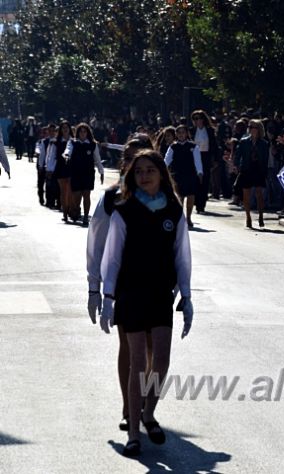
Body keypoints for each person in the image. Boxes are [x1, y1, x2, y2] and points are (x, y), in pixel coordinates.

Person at [99, 149, 194, 457]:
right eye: (138, 171)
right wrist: (107, 296)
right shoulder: (124, 209)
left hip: (160, 294)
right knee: (138, 362)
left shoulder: (174, 210)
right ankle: (134, 432)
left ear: (161, 174)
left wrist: (187, 296)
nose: (144, 175)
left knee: (161, 360)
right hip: (130, 292)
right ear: (132, 176)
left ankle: (149, 412)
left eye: (150, 170)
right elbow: (112, 257)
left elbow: (182, 255)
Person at [86, 135, 154, 435]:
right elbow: (96, 244)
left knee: (153, 351)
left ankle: (146, 406)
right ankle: (129, 407)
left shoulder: (164, 196)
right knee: (129, 346)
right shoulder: (111, 199)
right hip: (124, 282)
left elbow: (177, 243)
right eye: (131, 160)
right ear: (125, 163)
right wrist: (94, 288)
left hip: (156, 282)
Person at [64, 123, 105, 226]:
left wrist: (101, 172)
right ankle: (76, 209)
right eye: (81, 131)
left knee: (87, 195)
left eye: (84, 131)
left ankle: (86, 216)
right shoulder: (72, 142)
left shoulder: (92, 144)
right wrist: (66, 155)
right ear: (78, 133)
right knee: (76, 196)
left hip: (88, 173)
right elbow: (67, 150)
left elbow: (97, 159)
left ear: (88, 133)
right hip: (76, 173)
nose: (83, 133)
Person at [164, 125, 203, 229]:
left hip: (190, 175)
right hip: (177, 175)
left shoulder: (193, 146)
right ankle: (179, 218)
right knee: (179, 198)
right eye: (179, 132)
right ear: (176, 134)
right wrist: (162, 171)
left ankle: (189, 217)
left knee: (190, 196)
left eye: (183, 132)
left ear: (187, 134)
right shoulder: (173, 147)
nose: (181, 134)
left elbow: (197, 161)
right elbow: (166, 161)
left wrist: (200, 172)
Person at [235, 119, 269, 228]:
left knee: (259, 194)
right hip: (247, 169)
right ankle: (248, 217)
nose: (251, 129)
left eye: (253, 127)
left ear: (258, 129)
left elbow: (265, 159)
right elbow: (238, 155)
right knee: (246, 195)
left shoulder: (264, 144)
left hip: (258, 170)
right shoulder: (244, 141)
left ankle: (261, 216)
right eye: (250, 127)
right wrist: (236, 166)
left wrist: (264, 172)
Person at [190, 110, 218, 213]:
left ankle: (201, 204)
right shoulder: (192, 131)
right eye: (195, 119)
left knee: (205, 180)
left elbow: (214, 146)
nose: (198, 121)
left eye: (199, 118)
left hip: (206, 156)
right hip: (194, 156)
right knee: (196, 180)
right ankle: (196, 201)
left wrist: (215, 159)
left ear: (203, 119)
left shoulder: (209, 130)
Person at [46, 121, 75, 222]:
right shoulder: (55, 141)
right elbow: (51, 156)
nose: (65, 129)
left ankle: (71, 209)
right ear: (61, 130)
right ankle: (65, 213)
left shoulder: (74, 141)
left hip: (71, 168)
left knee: (71, 191)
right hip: (60, 167)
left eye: (67, 127)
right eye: (63, 128)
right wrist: (49, 169)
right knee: (63, 191)